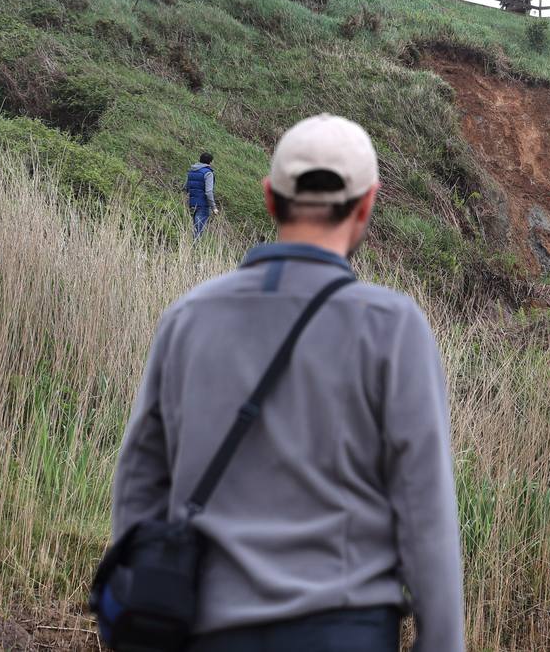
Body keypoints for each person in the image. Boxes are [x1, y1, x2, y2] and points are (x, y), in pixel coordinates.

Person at [112, 114, 464, 651]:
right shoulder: (393, 328)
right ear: (368, 203)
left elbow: (139, 482)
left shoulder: (188, 318)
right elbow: (427, 513)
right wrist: (441, 642)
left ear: (269, 198)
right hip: (345, 629)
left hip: (205, 630)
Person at [186, 152, 218, 239]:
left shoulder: (191, 171)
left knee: (194, 228)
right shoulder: (208, 173)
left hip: (192, 203)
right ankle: (195, 250)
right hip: (203, 205)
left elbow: (186, 187)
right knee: (198, 231)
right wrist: (214, 207)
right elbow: (208, 192)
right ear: (210, 162)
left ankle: (188, 248)